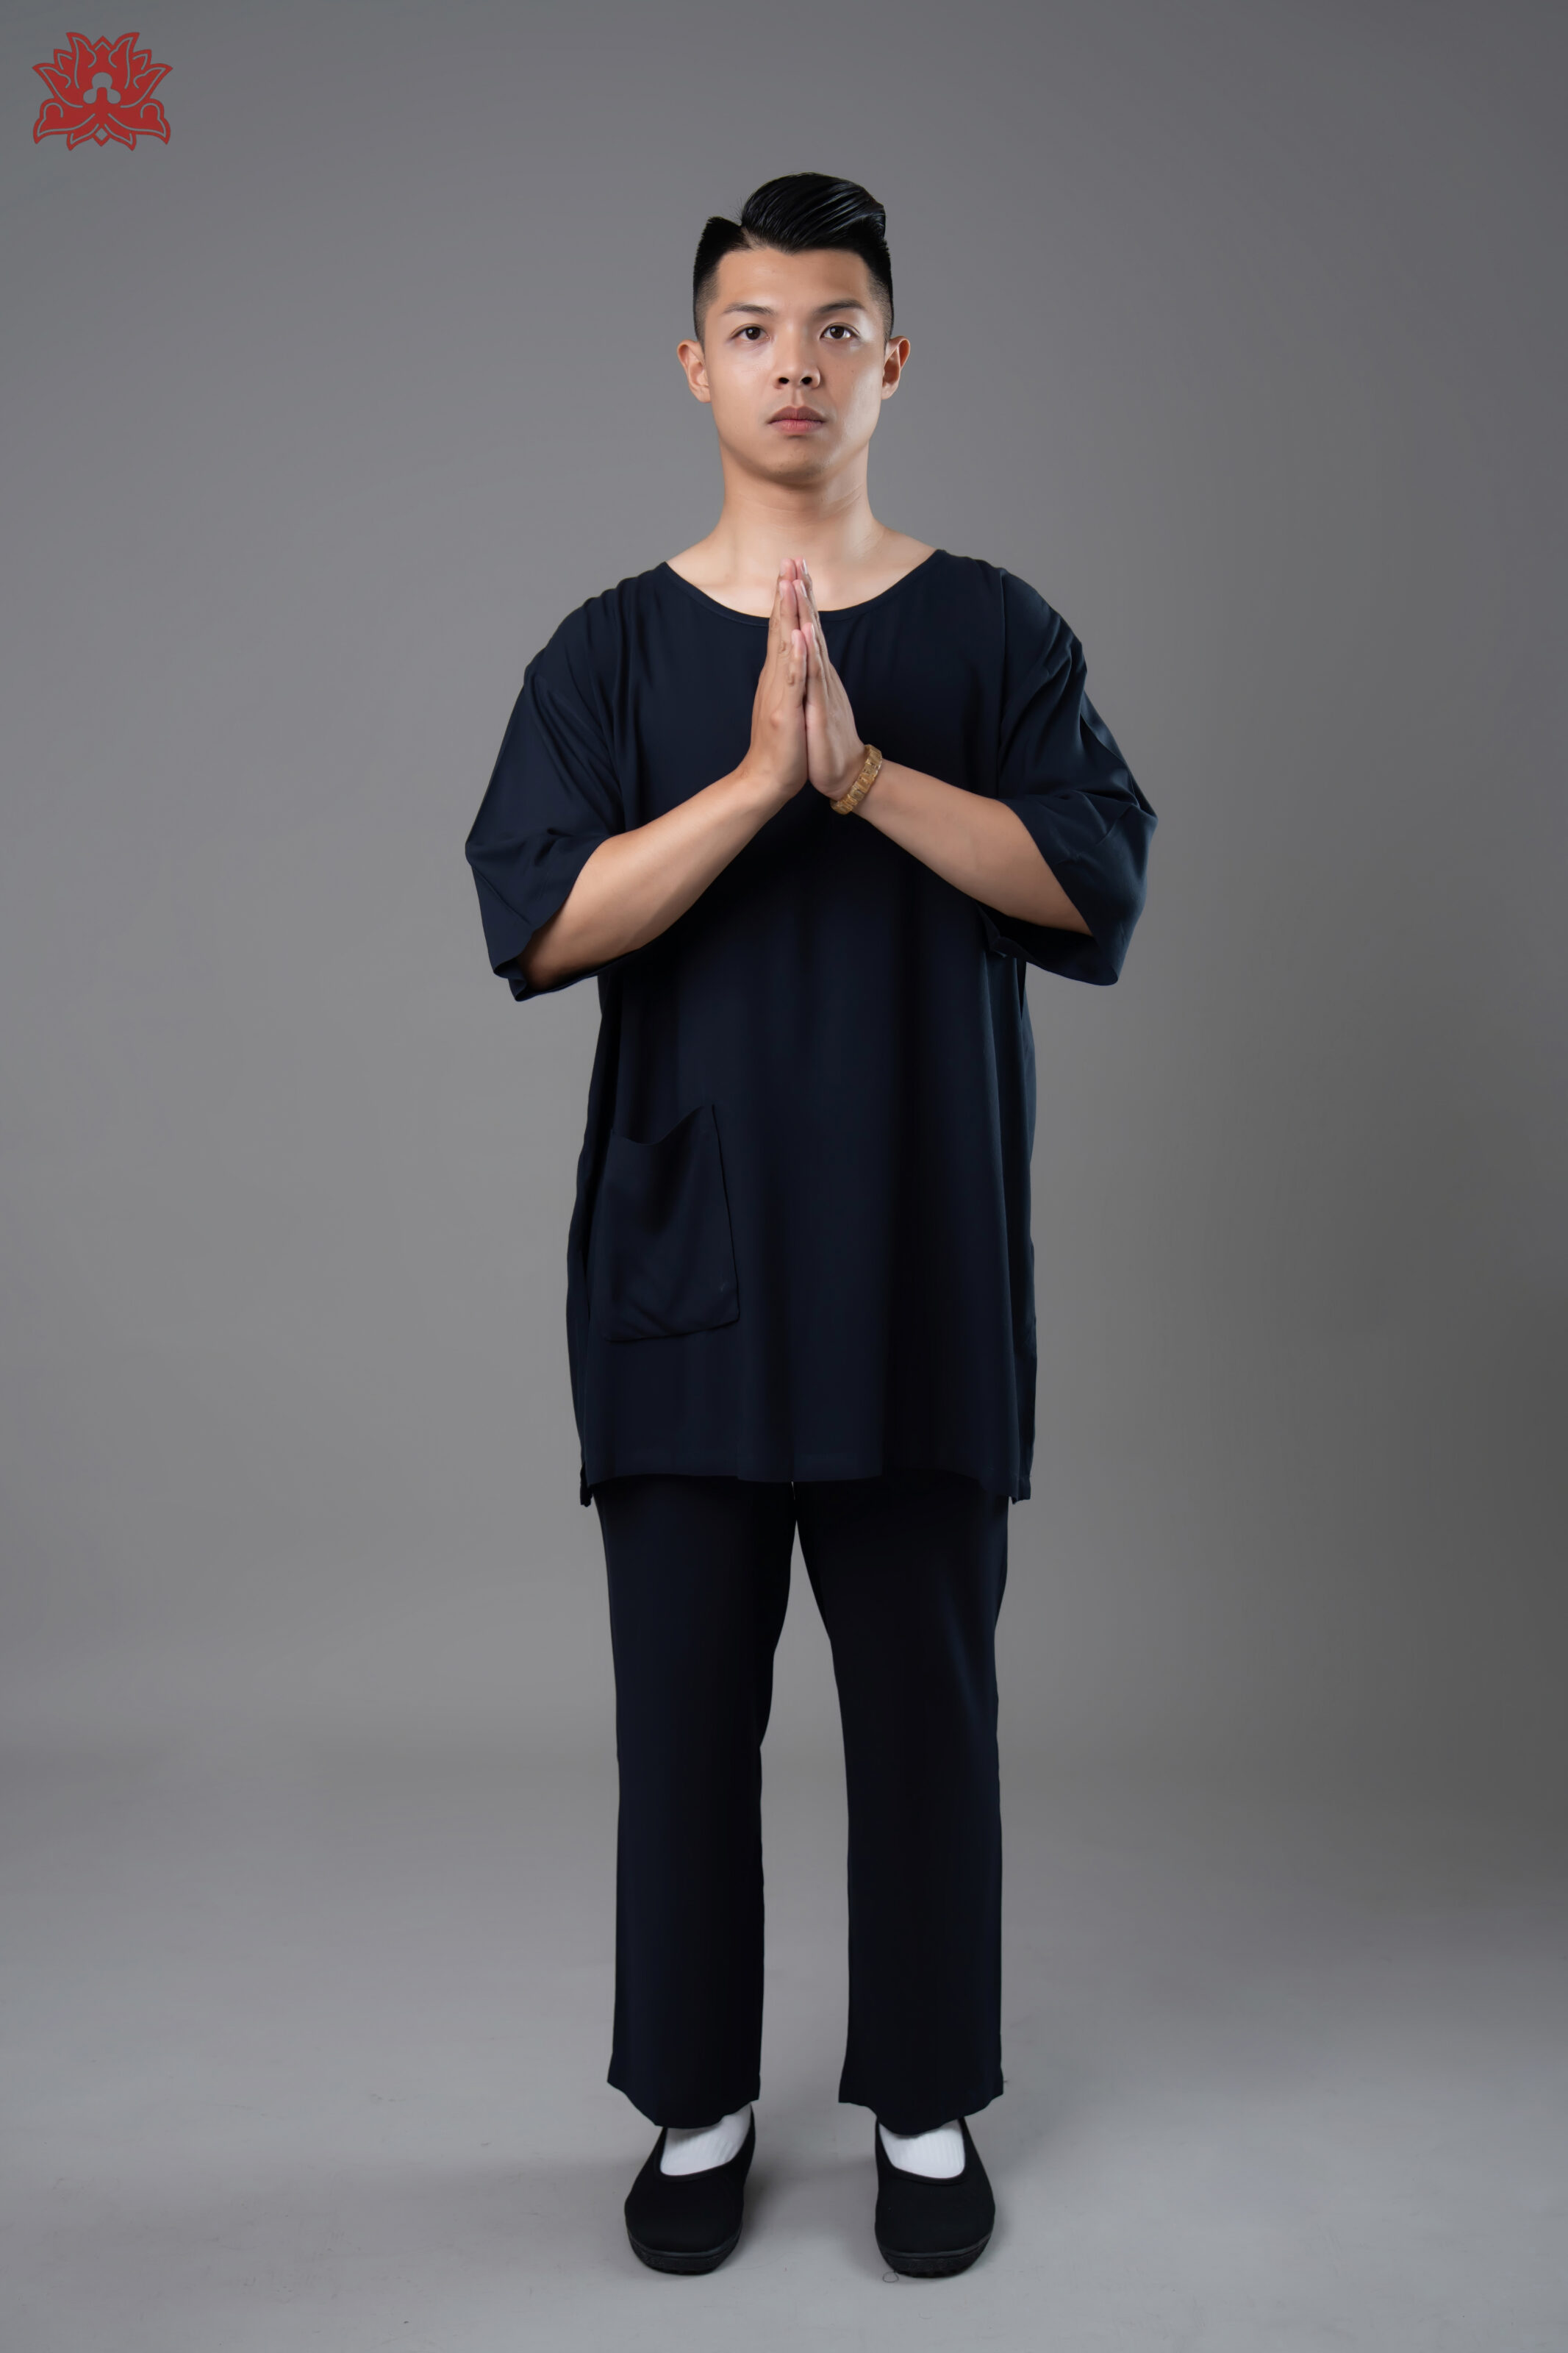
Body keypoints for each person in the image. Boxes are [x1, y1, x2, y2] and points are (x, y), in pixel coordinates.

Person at [465, 172, 1155, 2278]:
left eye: (835, 327)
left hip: (921, 1274)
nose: (796, 364)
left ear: (891, 362)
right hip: (687, 1274)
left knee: (929, 1713)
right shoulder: (609, 650)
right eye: (756, 329)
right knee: (684, 1722)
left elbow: (1092, 885)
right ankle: (696, 2102)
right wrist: (762, 783)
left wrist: (863, 781)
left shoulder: (998, 633)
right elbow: (541, 920)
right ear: (698, 366)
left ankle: (928, 2102)